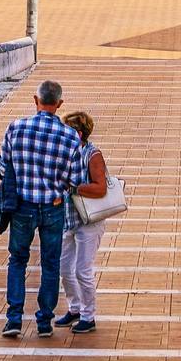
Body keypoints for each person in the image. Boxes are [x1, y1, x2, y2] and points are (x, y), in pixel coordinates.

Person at [0, 79, 87, 338]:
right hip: (53, 207)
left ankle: (14, 319)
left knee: (17, 260)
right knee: (50, 264)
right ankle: (44, 321)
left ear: (36, 100)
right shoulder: (70, 136)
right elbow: (76, 180)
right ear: (59, 104)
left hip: (22, 206)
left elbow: (3, 168)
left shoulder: (16, 128)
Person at [57, 109, 110, 335]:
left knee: (82, 270)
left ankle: (88, 316)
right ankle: (75, 308)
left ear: (79, 133)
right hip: (68, 218)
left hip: (89, 220)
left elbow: (100, 188)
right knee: (64, 268)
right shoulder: (63, 153)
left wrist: (75, 188)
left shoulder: (92, 154)